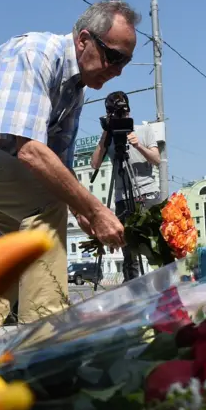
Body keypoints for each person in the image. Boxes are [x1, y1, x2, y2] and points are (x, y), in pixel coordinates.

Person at [0, 0, 140, 341]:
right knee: (47, 206)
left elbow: (57, 162)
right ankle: (45, 341)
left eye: (126, 62)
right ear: (84, 40)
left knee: (29, 234)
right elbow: (31, 152)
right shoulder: (38, 53)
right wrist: (93, 209)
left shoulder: (74, 90)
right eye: (114, 57)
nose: (118, 70)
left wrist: (81, 210)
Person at [90, 91, 160, 281]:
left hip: (148, 194)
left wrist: (138, 146)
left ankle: (163, 286)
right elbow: (94, 164)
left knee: (154, 245)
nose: (122, 116)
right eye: (116, 113)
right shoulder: (109, 137)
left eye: (123, 111)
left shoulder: (144, 130)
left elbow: (157, 160)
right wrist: (107, 131)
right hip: (122, 198)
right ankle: (132, 286)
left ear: (129, 110)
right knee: (129, 251)